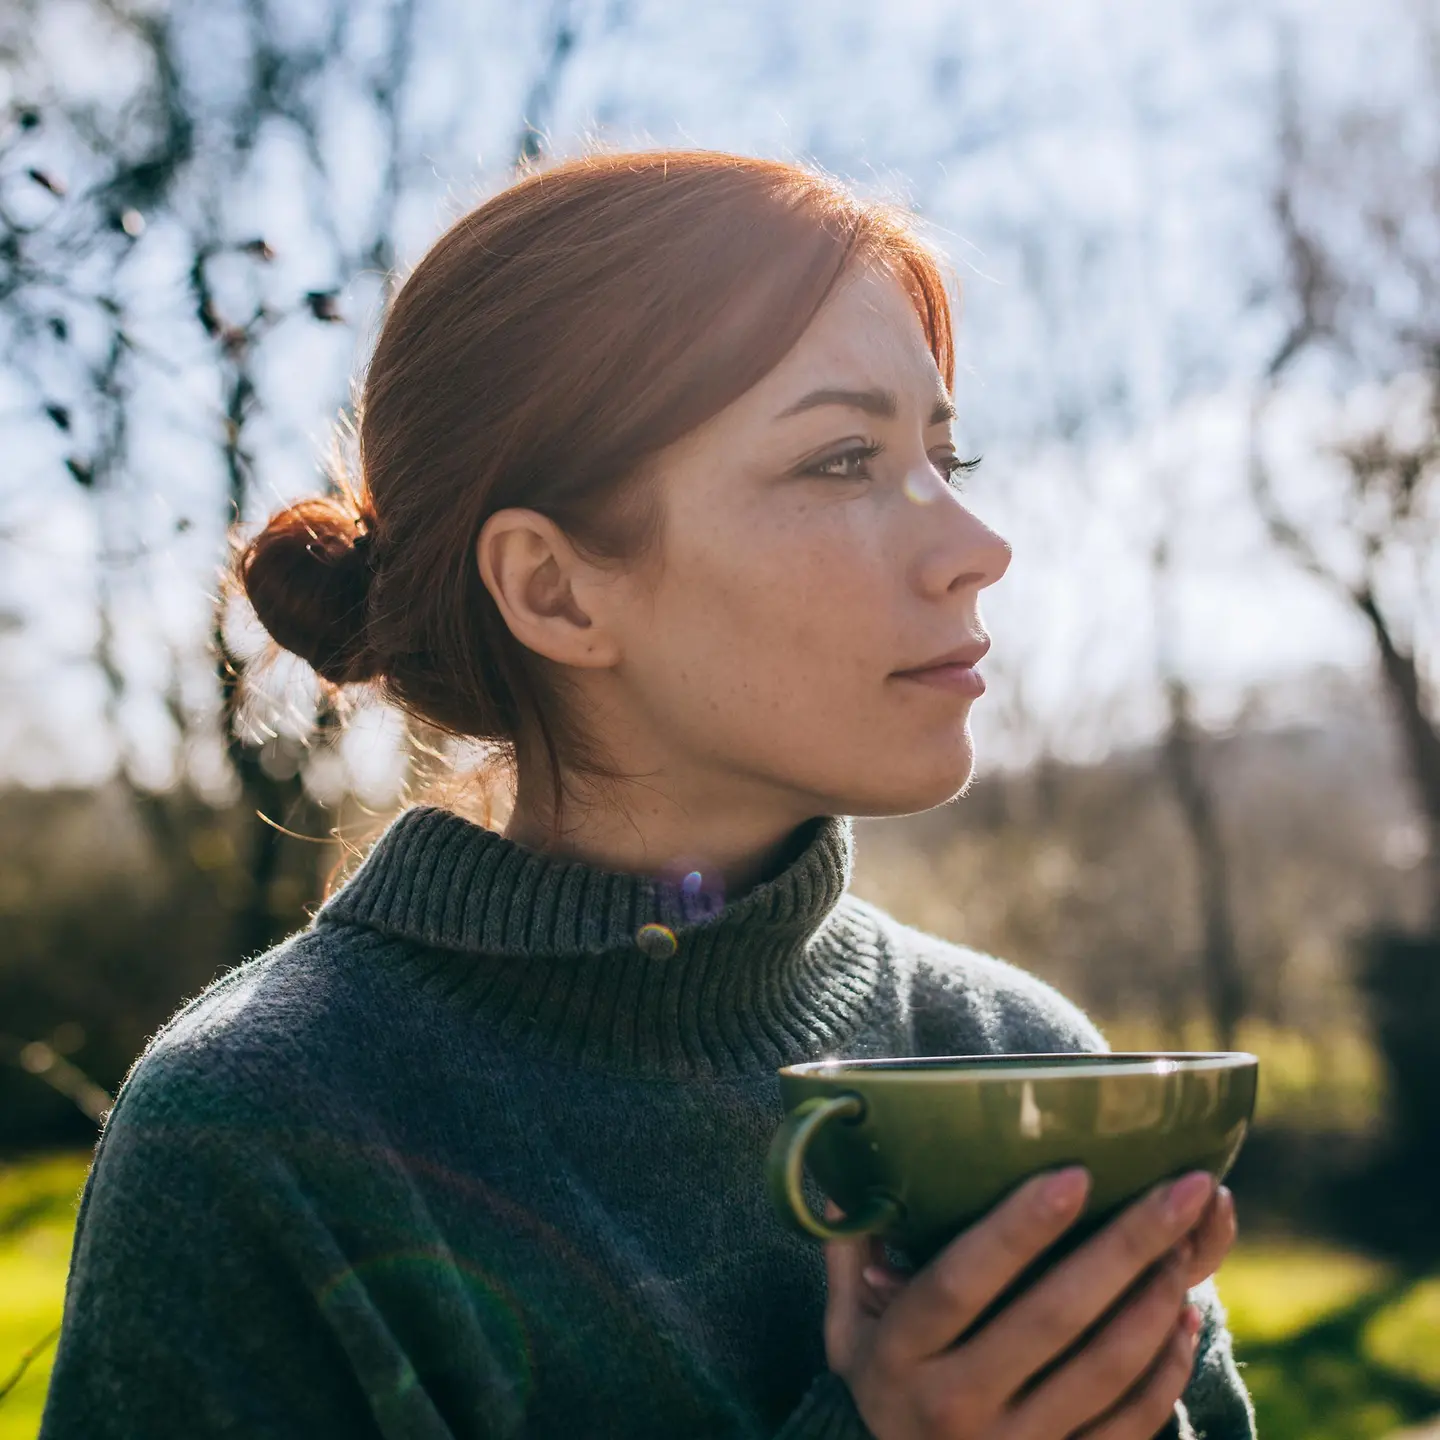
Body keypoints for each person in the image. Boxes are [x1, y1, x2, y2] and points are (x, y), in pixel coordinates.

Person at [40, 150, 1254, 1440]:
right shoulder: (258, 1137)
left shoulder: (1017, 1062)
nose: (980, 547)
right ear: (555, 589)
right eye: (843, 460)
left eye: (948, 459)